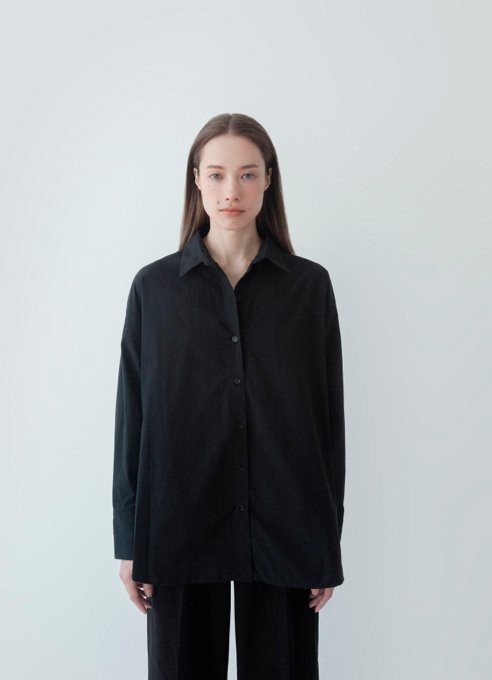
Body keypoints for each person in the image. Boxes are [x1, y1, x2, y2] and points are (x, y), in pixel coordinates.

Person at [112, 112, 346, 679]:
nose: (231, 192)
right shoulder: (155, 289)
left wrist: (325, 539)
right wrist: (128, 539)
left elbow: (328, 423)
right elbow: (132, 418)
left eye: (247, 174)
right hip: (177, 523)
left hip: (288, 525)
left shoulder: (308, 287)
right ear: (196, 179)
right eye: (216, 175)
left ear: (268, 179)